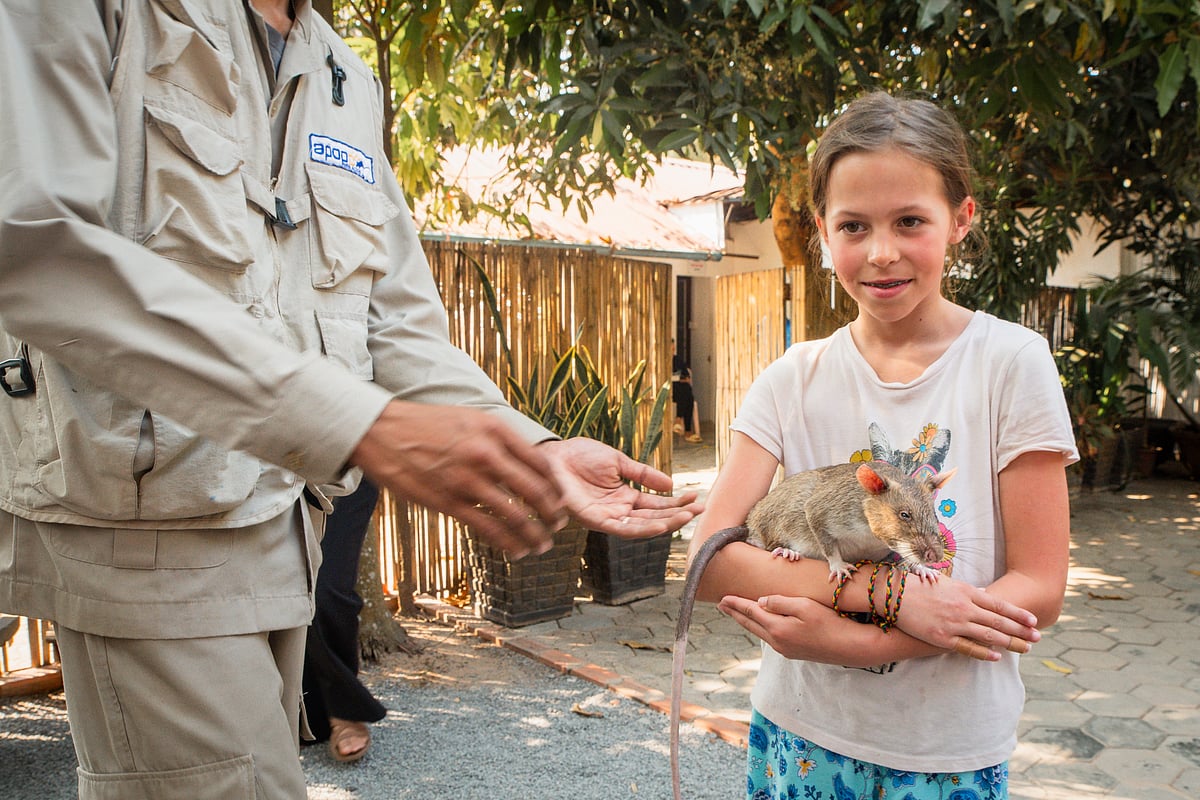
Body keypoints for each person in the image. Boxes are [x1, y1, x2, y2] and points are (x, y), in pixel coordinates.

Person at [0, 3, 701, 798]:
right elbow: (35, 246)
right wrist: (357, 424)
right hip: (146, 544)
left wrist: (529, 444)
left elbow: (391, 323)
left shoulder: (343, 73)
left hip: (289, 532)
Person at [689, 92, 1076, 799]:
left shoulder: (1011, 364)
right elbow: (711, 559)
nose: (882, 252)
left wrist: (862, 638)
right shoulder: (790, 380)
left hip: (946, 748)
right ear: (822, 231)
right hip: (801, 729)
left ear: (962, 218)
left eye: (910, 221)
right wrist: (890, 596)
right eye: (854, 226)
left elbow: (1041, 589)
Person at [302, 478, 386, 763]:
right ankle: (308, 714)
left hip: (346, 464)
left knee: (325, 589)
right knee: (278, 588)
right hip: (264, 468)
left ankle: (344, 710)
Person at [672, 348, 703, 443]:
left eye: (673, 347)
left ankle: (678, 420)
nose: (672, 349)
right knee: (685, 392)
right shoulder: (662, 361)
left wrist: (681, 379)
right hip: (670, 390)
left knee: (688, 395)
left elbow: (687, 377)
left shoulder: (678, 360)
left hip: (681, 388)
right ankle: (688, 432)